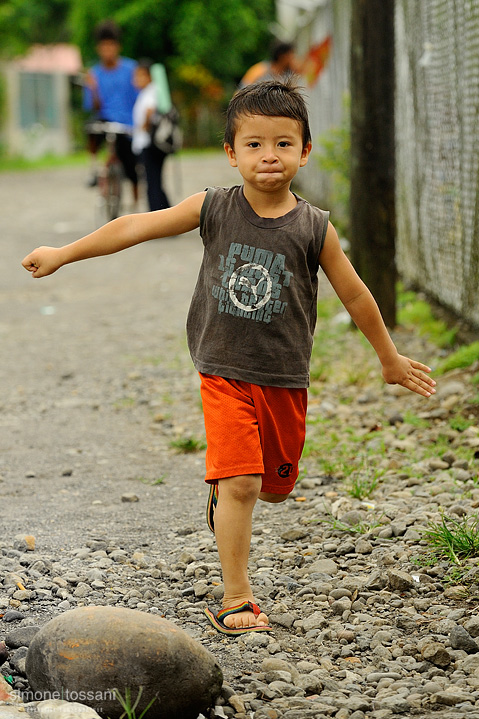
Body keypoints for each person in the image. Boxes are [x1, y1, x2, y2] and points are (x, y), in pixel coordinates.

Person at [22, 80, 436, 635]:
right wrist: (64, 253)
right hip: (222, 369)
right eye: (255, 144)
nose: (270, 156)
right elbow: (134, 226)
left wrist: (388, 358)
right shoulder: (214, 208)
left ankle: (227, 492)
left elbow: (356, 294)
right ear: (231, 153)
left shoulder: (315, 228)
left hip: (284, 377)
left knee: (273, 484)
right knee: (242, 480)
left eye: (284, 144)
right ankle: (236, 596)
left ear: (305, 151)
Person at [83, 20, 139, 204]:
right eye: (103, 46)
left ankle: (136, 198)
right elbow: (94, 107)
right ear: (98, 48)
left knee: (130, 165)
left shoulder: (131, 69)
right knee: (91, 129)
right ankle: (94, 169)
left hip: (128, 123)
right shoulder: (94, 73)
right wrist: (93, 89)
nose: (107, 50)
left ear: (118, 46)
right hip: (105, 121)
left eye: (111, 46)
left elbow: (139, 100)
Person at [132, 60, 170, 211]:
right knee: (155, 181)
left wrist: (143, 127)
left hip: (150, 144)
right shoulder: (151, 91)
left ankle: (158, 215)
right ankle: (166, 214)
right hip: (153, 143)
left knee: (152, 182)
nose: (136, 80)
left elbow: (149, 112)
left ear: (149, 76)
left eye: (140, 76)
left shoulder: (151, 92)